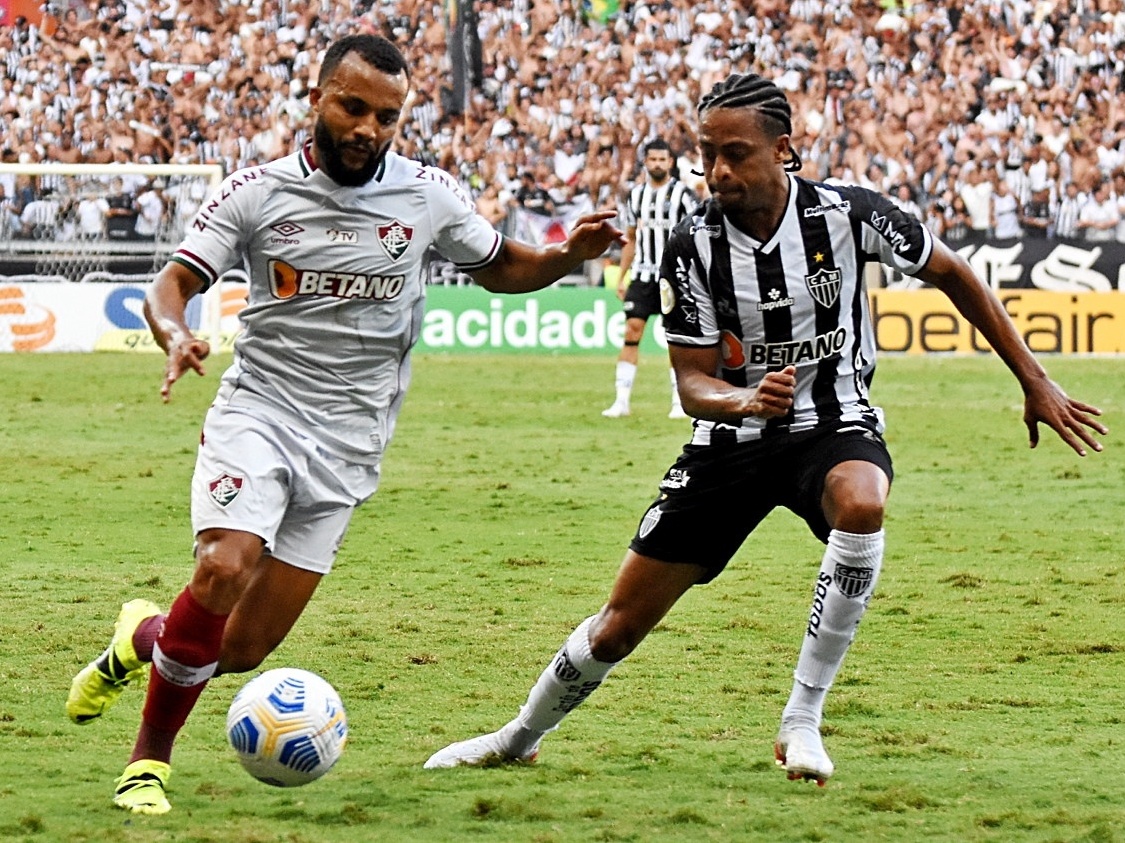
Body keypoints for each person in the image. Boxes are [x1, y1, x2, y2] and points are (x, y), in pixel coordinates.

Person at [424, 73, 1107, 785]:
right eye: (707, 154)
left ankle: (801, 717)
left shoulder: (849, 214)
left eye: (735, 153)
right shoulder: (691, 245)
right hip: (730, 443)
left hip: (832, 423)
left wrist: (1032, 378)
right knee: (619, 625)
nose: (717, 170)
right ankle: (518, 735)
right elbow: (689, 382)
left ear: (783, 150)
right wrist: (743, 401)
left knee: (862, 501)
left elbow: (952, 272)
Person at [65, 34, 623, 816]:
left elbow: (499, 265)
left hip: (350, 444)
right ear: (318, 97)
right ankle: (146, 766)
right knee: (222, 567)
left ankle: (139, 638)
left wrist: (568, 257)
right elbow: (174, 283)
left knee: (239, 648)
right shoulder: (256, 192)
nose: (368, 127)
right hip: (257, 411)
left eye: (386, 116)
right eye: (353, 106)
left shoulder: (425, 194)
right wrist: (173, 331)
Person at [602, 138, 700, 419]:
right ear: (645, 162)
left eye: (662, 159)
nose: (657, 164)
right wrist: (622, 276)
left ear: (671, 162)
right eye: (652, 159)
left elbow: (695, 236)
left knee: (677, 340)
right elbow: (630, 240)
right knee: (632, 332)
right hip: (643, 276)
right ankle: (621, 401)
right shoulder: (635, 196)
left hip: (674, 278)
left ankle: (679, 402)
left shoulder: (683, 195)